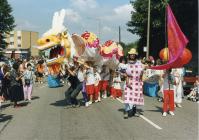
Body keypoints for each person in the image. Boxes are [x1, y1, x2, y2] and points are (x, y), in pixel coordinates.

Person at [123, 48, 145, 119]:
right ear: (129, 55)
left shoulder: (139, 63)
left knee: (136, 97)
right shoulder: (127, 64)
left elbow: (141, 73)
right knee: (127, 97)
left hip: (137, 83)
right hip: (129, 82)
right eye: (131, 54)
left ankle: (135, 111)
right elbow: (126, 74)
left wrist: (141, 82)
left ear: (135, 55)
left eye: (133, 54)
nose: (132, 55)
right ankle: (126, 112)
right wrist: (127, 82)